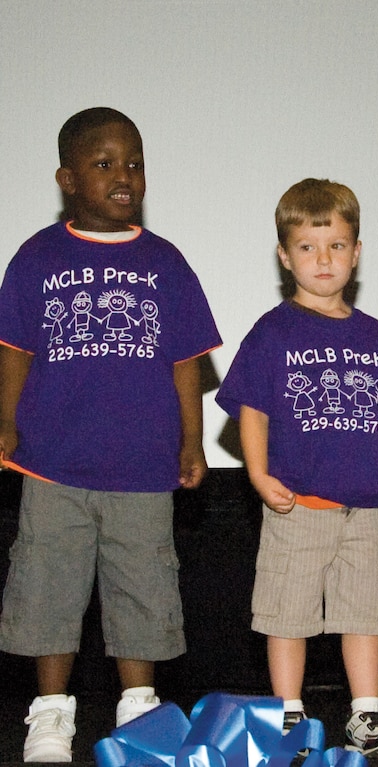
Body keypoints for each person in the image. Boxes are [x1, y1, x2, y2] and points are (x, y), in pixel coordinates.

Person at [0, 107, 221, 762]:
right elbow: (13, 350)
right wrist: (6, 422)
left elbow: (186, 360)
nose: (123, 176)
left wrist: (192, 439)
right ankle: (49, 715)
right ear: (68, 177)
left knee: (142, 587)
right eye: (104, 164)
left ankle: (139, 714)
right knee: (49, 584)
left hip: (144, 465)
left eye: (134, 163)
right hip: (53, 463)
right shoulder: (39, 256)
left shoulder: (165, 261)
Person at [216, 179, 378, 757]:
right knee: (288, 613)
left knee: (365, 612)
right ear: (285, 256)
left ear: (357, 252)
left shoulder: (376, 337)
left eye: (336, 245)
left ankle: (366, 714)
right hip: (299, 505)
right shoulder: (274, 330)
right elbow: (250, 409)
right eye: (308, 247)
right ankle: (289, 714)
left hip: (364, 509)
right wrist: (257, 473)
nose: (323, 259)